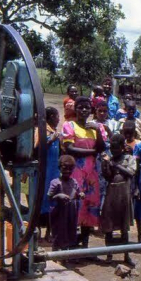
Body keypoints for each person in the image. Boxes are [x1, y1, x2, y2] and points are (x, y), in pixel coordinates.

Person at [62, 96, 106, 249]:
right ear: (75, 109)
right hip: (75, 173)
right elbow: (69, 148)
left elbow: (102, 147)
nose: (84, 110)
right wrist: (92, 152)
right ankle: (71, 246)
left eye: (87, 107)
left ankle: (85, 246)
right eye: (80, 107)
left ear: (91, 110)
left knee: (90, 207)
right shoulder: (69, 126)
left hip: (92, 174)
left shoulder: (97, 127)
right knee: (75, 206)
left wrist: (97, 131)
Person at [100, 134, 136, 266]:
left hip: (124, 195)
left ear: (123, 147)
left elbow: (130, 173)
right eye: (112, 148)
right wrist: (105, 165)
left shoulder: (129, 158)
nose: (114, 151)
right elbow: (108, 177)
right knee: (109, 226)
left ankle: (126, 255)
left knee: (124, 227)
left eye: (116, 148)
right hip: (111, 194)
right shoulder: (109, 159)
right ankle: (109, 254)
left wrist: (115, 165)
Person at [47, 155, 83, 251]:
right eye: (65, 168)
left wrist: (80, 194)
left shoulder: (74, 182)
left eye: (70, 169)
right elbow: (49, 197)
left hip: (71, 213)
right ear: (59, 168)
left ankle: (65, 254)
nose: (67, 171)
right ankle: (55, 253)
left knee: (69, 233)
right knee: (58, 233)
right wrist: (59, 195)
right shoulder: (55, 182)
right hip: (59, 213)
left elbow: (77, 193)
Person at [40, 107, 61, 242]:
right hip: (44, 172)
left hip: (54, 171)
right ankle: (38, 232)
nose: (59, 119)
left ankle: (49, 232)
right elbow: (37, 149)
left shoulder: (55, 132)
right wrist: (50, 140)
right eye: (58, 116)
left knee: (52, 200)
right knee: (42, 200)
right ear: (52, 117)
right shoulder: (43, 131)